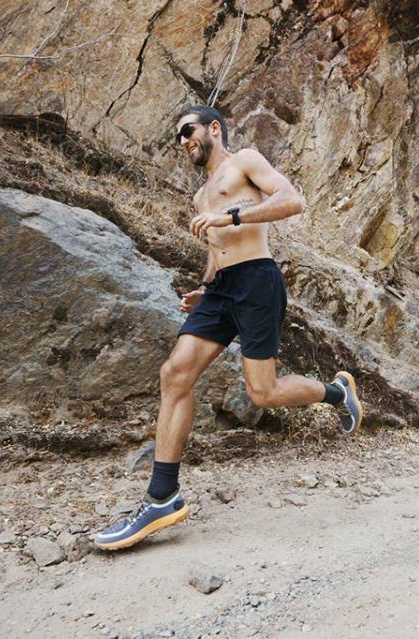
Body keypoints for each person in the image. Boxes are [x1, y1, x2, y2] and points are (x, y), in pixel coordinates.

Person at [95, 106, 363, 550]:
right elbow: (216, 248)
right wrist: (204, 287)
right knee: (174, 374)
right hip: (220, 289)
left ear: (213, 129)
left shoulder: (245, 163)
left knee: (263, 393)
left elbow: (292, 200)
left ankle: (336, 392)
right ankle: (162, 497)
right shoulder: (201, 196)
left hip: (258, 280)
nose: (182, 141)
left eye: (187, 130)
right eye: (176, 137)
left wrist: (233, 217)